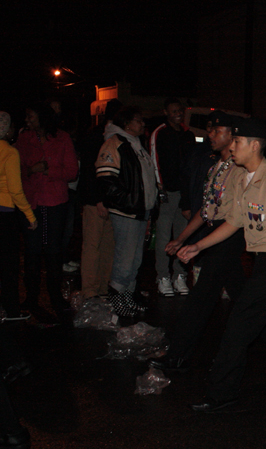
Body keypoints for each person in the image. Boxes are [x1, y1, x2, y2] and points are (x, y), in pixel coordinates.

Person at [177, 118, 266, 411]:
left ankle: (221, 392)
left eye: (238, 142)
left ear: (254, 146)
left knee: (238, 325)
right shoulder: (242, 178)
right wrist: (197, 246)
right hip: (263, 259)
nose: (233, 146)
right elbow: (234, 221)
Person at [149, 111, 247, 371]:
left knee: (200, 298)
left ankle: (178, 353)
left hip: (228, 237)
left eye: (217, 131)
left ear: (233, 135)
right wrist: (181, 238)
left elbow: (231, 216)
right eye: (209, 131)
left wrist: (197, 245)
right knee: (245, 295)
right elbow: (206, 210)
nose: (210, 136)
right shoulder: (216, 165)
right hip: (215, 234)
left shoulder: (240, 169)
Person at [15, 103, 79, 315]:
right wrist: (32, 170)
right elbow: (17, 170)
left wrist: (47, 171)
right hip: (31, 201)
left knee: (53, 253)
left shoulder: (62, 138)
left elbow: (72, 171)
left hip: (55, 202)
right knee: (32, 253)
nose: (27, 120)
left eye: (30, 116)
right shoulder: (25, 138)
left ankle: (55, 297)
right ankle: (31, 298)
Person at [96, 106, 157, 317]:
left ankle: (128, 299)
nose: (142, 124)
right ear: (127, 124)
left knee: (135, 260)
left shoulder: (136, 145)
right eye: (138, 120)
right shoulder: (115, 144)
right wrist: (128, 202)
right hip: (127, 213)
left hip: (140, 211)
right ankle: (117, 302)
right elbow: (106, 179)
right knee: (125, 259)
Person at [79, 99, 122, 301]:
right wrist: (98, 199)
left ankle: (103, 288)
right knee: (93, 245)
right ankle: (90, 290)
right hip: (95, 201)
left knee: (107, 246)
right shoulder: (98, 136)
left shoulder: (115, 137)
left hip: (108, 201)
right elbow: (90, 170)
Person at [150, 98, 194, 296]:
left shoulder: (188, 134)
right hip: (168, 191)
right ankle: (163, 276)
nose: (177, 113)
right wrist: (161, 188)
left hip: (184, 193)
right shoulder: (160, 133)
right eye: (173, 110)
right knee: (163, 236)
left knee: (182, 235)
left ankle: (179, 275)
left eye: (180, 110)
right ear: (166, 112)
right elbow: (155, 160)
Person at [0, 111, 37, 322]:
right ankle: (12, 310)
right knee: (8, 265)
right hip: (4, 214)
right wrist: (30, 215)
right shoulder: (10, 152)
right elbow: (15, 190)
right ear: (5, 129)